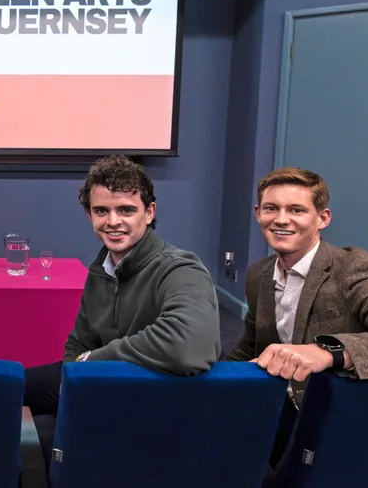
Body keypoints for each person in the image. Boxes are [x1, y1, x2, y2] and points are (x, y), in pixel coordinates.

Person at [225, 167, 368, 478]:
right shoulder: (258, 273)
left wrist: (329, 352)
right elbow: (251, 343)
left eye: (296, 210)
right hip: (283, 416)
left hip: (345, 426)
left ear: (322, 219)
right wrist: (213, 387)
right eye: (272, 208)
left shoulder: (354, 269)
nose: (281, 219)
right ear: (258, 213)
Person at [24, 155, 221, 461]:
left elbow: (189, 345)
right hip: (106, 383)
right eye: (101, 210)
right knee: (8, 387)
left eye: (126, 210)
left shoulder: (180, 268)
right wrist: (77, 382)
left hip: (155, 397)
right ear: (89, 213)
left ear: (149, 212)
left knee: (42, 439)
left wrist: (93, 362)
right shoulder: (101, 268)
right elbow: (79, 343)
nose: (112, 222)